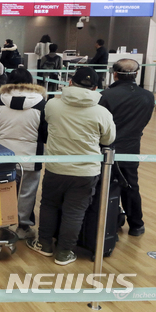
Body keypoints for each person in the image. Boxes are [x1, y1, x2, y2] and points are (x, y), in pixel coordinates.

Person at [27, 67, 115, 266]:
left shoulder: (52, 105)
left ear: (69, 82)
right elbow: (108, 139)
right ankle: (65, 252)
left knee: (49, 205)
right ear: (94, 87)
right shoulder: (102, 112)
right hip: (86, 170)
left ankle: (45, 244)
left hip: (56, 167)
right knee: (75, 211)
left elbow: (46, 126)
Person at [0, 68, 48, 240]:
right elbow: (47, 131)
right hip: (31, 156)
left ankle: (2, 223)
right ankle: (23, 226)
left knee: (4, 190)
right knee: (27, 192)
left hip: (4, 155)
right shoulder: (42, 104)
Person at [99, 59, 154, 237]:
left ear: (114, 73)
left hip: (107, 148)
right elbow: (144, 121)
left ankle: (108, 223)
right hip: (132, 147)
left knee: (104, 186)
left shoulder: (107, 95)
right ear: (136, 74)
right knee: (131, 186)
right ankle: (136, 225)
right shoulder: (148, 96)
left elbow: (100, 123)